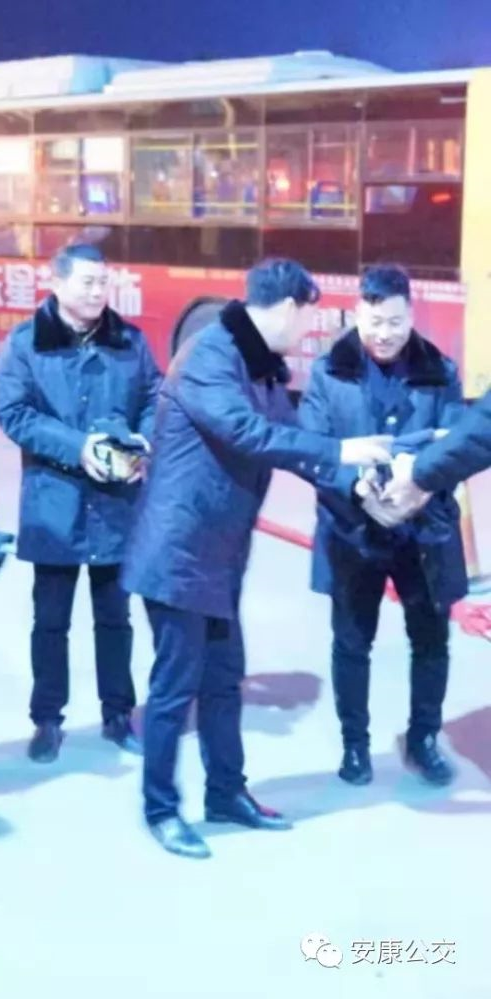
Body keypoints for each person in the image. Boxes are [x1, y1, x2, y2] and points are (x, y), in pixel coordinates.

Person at [122, 258, 394, 859]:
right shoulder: (210, 356)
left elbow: (296, 444)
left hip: (218, 556)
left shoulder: (259, 365)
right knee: (174, 690)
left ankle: (226, 793)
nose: (310, 330)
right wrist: (343, 450)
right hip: (177, 554)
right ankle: (161, 809)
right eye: (310, 317)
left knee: (224, 682)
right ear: (289, 307)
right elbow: (252, 434)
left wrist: (355, 483)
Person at [299, 265, 466, 787]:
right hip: (354, 531)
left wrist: (419, 489)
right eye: (375, 322)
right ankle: (355, 745)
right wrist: (358, 490)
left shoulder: (440, 371)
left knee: (431, 641)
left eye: (395, 322)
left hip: (425, 531)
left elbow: (456, 444)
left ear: (411, 315)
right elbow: (313, 448)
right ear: (357, 314)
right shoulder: (328, 372)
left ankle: (424, 739)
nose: (385, 333)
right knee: (352, 643)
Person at [0, 242, 161, 763]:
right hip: (55, 503)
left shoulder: (129, 342)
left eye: (102, 282)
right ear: (57, 283)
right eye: (87, 282)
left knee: (115, 618)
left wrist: (143, 442)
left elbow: (154, 397)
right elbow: (14, 413)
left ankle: (118, 714)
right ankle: (47, 719)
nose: (96, 291)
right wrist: (77, 447)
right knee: (51, 621)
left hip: (116, 502)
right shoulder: (26, 343)